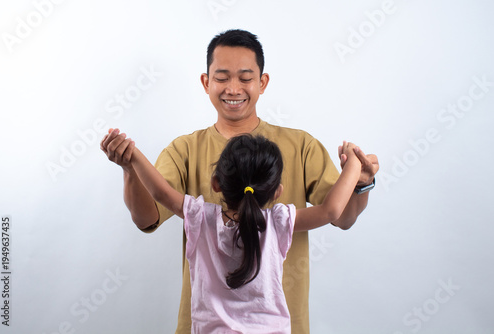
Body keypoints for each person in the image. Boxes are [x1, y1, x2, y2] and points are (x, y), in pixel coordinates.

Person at [100, 29, 379, 333]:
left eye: (245, 78)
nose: (233, 88)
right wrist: (129, 172)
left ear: (263, 82)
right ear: (206, 82)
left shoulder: (301, 146)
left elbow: (345, 218)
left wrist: (362, 184)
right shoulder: (184, 150)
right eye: (222, 78)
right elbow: (146, 217)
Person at [119, 132, 362, 333]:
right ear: (277, 191)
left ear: (216, 183)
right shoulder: (279, 222)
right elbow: (332, 211)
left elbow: (160, 193)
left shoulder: (200, 217)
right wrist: (353, 164)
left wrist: (131, 157)